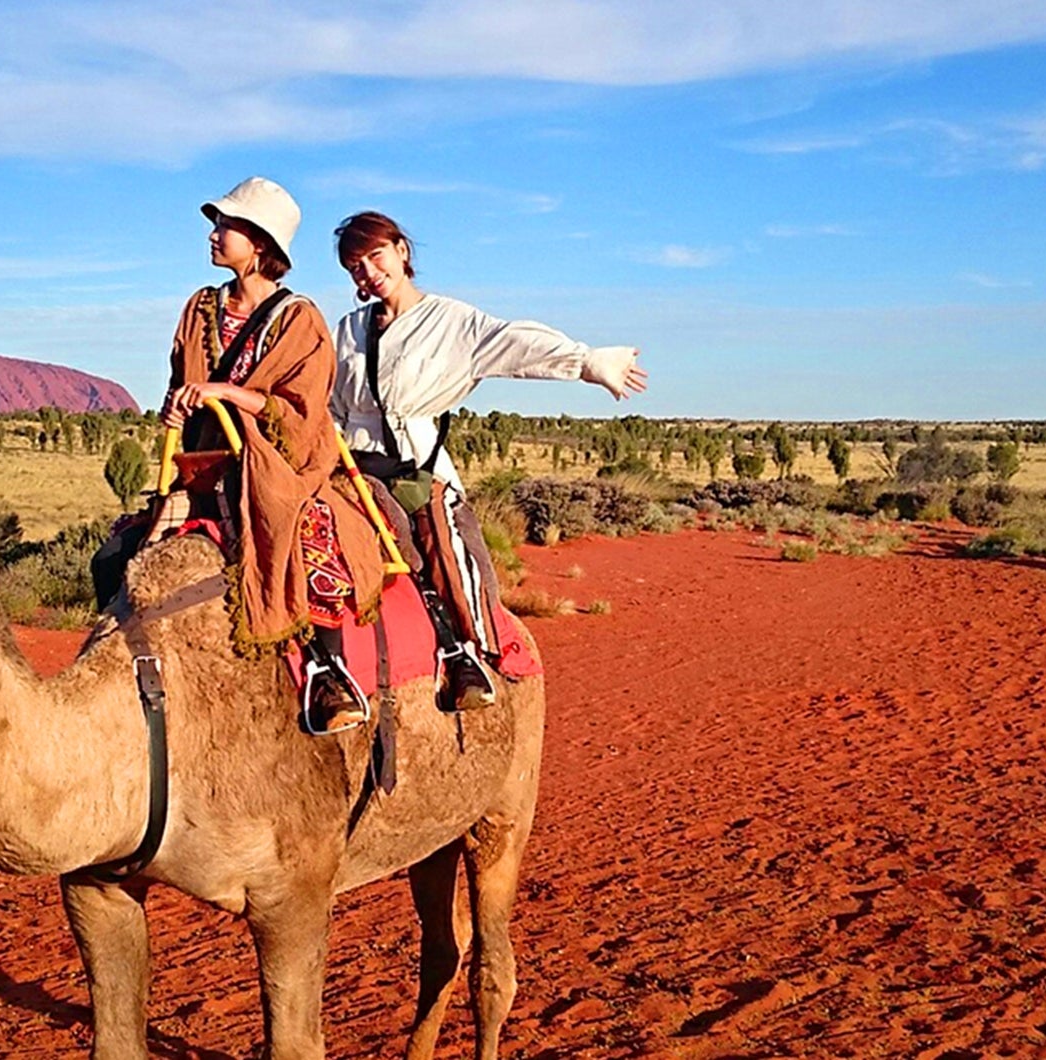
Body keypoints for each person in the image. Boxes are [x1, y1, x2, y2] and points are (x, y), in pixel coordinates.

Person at [98, 179, 386, 734]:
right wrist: (178, 410)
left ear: (258, 243)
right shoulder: (198, 307)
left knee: (306, 532)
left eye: (225, 226)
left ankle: (329, 673)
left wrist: (225, 394)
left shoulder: (299, 319)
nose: (213, 235)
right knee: (118, 555)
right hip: (204, 464)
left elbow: (302, 411)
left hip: (278, 464)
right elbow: (181, 380)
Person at [330, 211, 646, 709]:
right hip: (353, 467)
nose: (368, 271)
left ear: (401, 251)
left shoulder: (452, 322)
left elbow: (514, 342)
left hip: (417, 467)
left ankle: (466, 651)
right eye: (355, 265)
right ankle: (325, 668)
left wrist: (586, 362)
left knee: (448, 542)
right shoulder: (347, 330)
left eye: (375, 256)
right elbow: (329, 400)